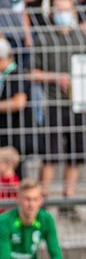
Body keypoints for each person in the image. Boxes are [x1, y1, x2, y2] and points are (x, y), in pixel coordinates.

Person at [31, 0, 86, 209]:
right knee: (50, 154)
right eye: (58, 10)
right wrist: (56, 78)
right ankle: (43, 197)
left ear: (74, 12)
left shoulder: (82, 37)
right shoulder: (44, 38)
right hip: (53, 103)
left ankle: (70, 198)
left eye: (66, 10)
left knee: (76, 153)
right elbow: (33, 73)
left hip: (78, 103)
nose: (62, 14)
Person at [0, 37, 37, 170]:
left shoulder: (17, 74)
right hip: (8, 133)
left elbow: (18, 102)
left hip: (17, 134)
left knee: (14, 171)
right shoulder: (6, 75)